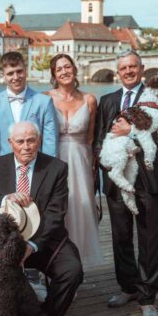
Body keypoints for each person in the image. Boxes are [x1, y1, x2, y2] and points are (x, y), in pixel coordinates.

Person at [0, 121, 84, 316]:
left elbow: (56, 215)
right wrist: (5, 199)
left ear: (39, 141)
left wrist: (32, 246)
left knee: (72, 271)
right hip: (5, 244)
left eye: (31, 140)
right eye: (20, 141)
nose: (26, 146)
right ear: (10, 143)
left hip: (44, 240)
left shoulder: (57, 168)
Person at [93, 50, 158, 316]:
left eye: (133, 66)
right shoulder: (107, 101)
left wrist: (133, 143)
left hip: (148, 178)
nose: (128, 71)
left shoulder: (154, 98)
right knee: (121, 236)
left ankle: (147, 298)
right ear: (118, 71)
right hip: (117, 180)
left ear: (142, 68)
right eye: (123, 67)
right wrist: (107, 163)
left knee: (149, 239)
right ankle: (127, 287)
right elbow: (98, 139)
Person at [44, 53, 104, 267]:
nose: (64, 71)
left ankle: (75, 266)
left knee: (80, 210)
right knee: (58, 209)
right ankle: (53, 264)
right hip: (55, 159)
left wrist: (92, 169)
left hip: (81, 162)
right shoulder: (46, 98)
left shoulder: (89, 100)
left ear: (74, 69)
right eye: (59, 69)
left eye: (67, 66)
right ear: (54, 75)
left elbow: (89, 138)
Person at [0, 51, 58, 169]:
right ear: (3, 75)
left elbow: (50, 143)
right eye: (10, 73)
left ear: (25, 70)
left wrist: (48, 173)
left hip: (36, 169)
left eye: (19, 71)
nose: (16, 77)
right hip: (2, 168)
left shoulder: (44, 102)